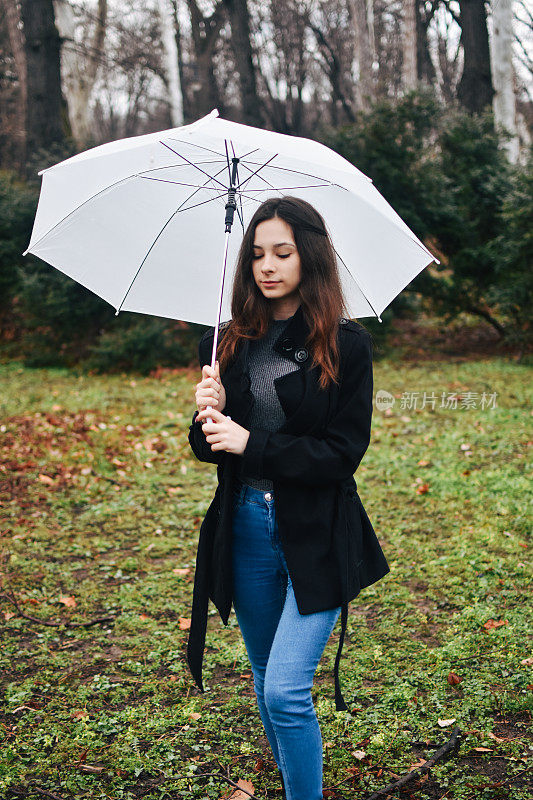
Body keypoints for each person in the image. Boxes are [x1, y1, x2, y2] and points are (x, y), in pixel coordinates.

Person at [187, 196, 390, 800]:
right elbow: (209, 452)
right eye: (256, 255)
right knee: (261, 674)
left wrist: (252, 442)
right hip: (244, 526)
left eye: (282, 252)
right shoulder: (226, 342)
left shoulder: (345, 346)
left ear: (312, 256)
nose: (267, 266)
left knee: (285, 690)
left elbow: (341, 455)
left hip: (317, 531)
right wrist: (209, 415)